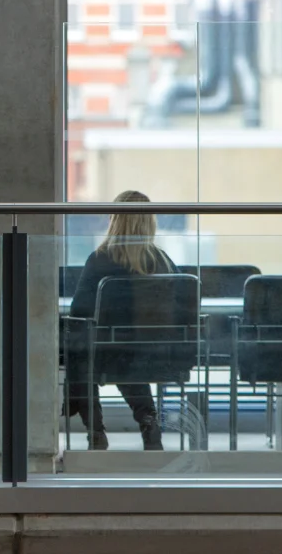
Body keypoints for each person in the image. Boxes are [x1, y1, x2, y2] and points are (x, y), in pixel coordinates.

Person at [68, 189, 171, 451]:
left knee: (80, 353)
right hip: (159, 352)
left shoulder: (100, 260)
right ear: (150, 221)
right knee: (127, 354)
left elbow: (79, 310)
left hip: (109, 352)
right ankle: (148, 422)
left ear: (114, 219)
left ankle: (95, 431)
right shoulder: (161, 260)